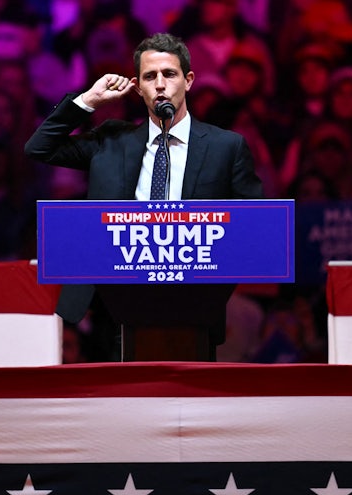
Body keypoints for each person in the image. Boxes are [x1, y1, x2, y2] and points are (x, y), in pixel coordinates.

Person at [24, 32, 263, 359]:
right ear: (138, 87)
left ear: (189, 81)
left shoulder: (226, 147)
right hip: (112, 307)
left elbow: (254, 227)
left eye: (170, 74)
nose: (160, 84)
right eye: (150, 77)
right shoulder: (111, 139)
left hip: (194, 306)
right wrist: (88, 101)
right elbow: (39, 147)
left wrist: (213, 291)